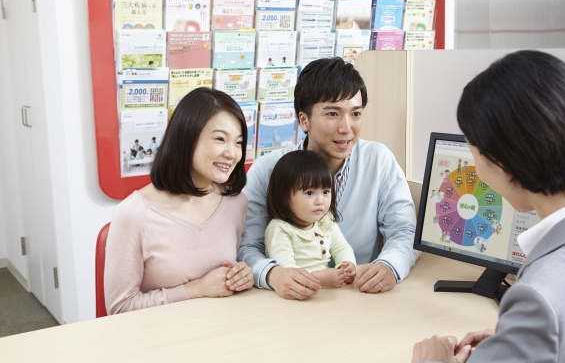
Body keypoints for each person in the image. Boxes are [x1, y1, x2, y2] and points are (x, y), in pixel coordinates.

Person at [411, 50, 565, 362]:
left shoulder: (541, 294)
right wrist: (515, 340)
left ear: (502, 162)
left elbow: (556, 306)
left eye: (474, 154)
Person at [238, 57, 420, 300]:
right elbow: (249, 247)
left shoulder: (378, 160)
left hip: (360, 299)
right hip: (291, 304)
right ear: (304, 120)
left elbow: (405, 231)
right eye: (333, 113)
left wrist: (390, 265)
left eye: (355, 114)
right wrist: (274, 274)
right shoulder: (266, 170)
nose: (346, 128)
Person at [104, 88, 253, 314]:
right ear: (187, 138)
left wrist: (242, 275)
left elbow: (237, 267)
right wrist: (195, 289)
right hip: (159, 338)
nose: (232, 153)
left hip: (222, 331)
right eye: (220, 139)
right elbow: (120, 308)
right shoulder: (134, 213)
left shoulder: (236, 203)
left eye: (238, 142)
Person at [265, 150, 357, 288]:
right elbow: (288, 270)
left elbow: (341, 247)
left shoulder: (326, 221)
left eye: (326, 192)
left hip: (325, 292)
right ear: (284, 197)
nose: (320, 201)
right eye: (309, 193)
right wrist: (319, 278)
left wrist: (347, 265)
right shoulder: (279, 228)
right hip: (296, 293)